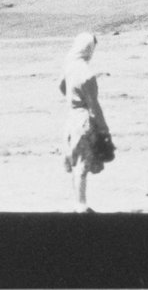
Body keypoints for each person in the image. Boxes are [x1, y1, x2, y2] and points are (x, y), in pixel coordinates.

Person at [58, 30, 113, 212]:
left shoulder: (69, 66)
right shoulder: (87, 74)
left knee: (75, 161)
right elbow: (94, 106)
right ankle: (81, 205)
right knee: (82, 162)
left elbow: (61, 87)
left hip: (71, 117)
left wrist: (72, 98)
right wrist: (103, 128)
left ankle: (77, 201)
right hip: (83, 119)